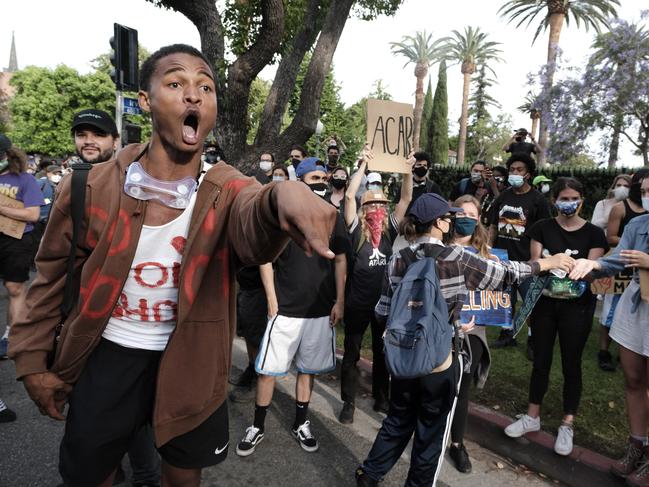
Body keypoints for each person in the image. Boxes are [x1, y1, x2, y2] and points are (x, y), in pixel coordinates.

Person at [8, 44, 336, 487]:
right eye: (176, 83)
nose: (194, 96)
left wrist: (283, 195)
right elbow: (49, 279)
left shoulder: (228, 189)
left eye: (206, 86)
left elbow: (253, 225)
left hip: (193, 363)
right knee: (89, 475)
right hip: (107, 356)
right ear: (145, 100)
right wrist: (31, 362)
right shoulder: (90, 185)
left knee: (182, 479)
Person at [355, 192, 574, 487]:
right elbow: (506, 274)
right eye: (449, 217)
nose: (453, 221)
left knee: (396, 422)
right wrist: (547, 264)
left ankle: (368, 476)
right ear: (439, 224)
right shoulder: (456, 258)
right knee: (430, 437)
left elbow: (383, 312)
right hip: (440, 361)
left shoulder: (398, 258)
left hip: (403, 359)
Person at [236, 157, 349, 458]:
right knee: (268, 371)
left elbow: (339, 259)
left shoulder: (333, 216)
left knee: (307, 371)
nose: (322, 183)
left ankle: (301, 423)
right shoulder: (282, 213)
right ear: (300, 181)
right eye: (314, 178)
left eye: (324, 178)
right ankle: (257, 427)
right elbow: (264, 257)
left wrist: (339, 300)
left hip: (319, 309)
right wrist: (271, 298)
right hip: (284, 310)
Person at [504, 178, 608, 457]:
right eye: (563, 198)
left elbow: (592, 270)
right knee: (541, 359)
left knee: (571, 363)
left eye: (574, 197)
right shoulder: (542, 228)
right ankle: (532, 415)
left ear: (582, 200)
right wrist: (551, 262)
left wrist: (567, 264)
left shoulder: (595, 234)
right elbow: (535, 265)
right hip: (544, 305)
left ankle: (567, 422)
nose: (568, 203)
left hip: (578, 307)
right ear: (554, 201)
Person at [568, 173, 649, 485]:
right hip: (635, 310)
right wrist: (595, 265)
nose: (644, 196)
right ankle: (636, 444)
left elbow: (638, 259)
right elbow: (617, 259)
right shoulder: (638, 226)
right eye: (642, 191)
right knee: (633, 379)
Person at [338, 149, 413, 424]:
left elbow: (406, 198)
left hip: (384, 305)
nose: (376, 210)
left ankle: (382, 397)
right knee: (352, 353)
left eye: (381, 205)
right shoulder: (356, 229)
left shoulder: (391, 231)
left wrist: (407, 170)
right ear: (363, 207)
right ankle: (349, 402)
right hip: (357, 303)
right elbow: (347, 196)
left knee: (383, 353)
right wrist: (363, 165)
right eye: (371, 205)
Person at [447, 194, 494, 473]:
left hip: (473, 331)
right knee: (437, 385)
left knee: (461, 386)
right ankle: (431, 434)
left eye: (471, 215)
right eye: (459, 213)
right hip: (442, 328)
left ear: (479, 220)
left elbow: (496, 295)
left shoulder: (488, 254)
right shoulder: (438, 248)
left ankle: (456, 443)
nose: (465, 218)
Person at [488, 153, 551, 349]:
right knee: (505, 299)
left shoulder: (538, 200)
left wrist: (537, 260)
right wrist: (489, 249)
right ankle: (507, 334)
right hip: (502, 259)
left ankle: (533, 338)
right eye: (512, 170)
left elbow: (544, 231)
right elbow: (492, 225)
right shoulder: (503, 196)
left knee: (531, 303)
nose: (514, 173)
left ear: (528, 174)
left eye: (519, 170)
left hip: (527, 261)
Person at [0, 134, 44, 359]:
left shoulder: (25, 180)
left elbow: (33, 214)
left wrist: (3, 209)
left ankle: (12, 336)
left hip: (16, 241)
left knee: (15, 288)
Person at [590, 173, 632, 371]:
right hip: (613, 258)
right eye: (619, 185)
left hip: (635, 264)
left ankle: (627, 352)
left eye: (627, 185)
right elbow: (599, 227)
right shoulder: (606, 205)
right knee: (610, 307)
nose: (622, 187)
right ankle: (604, 351)